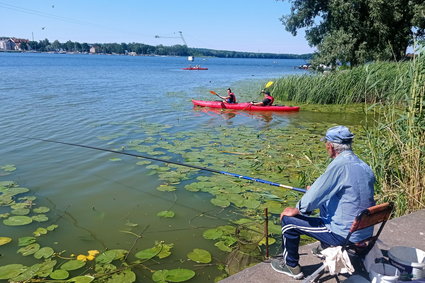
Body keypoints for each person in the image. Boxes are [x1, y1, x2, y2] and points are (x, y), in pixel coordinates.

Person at [271, 125, 375, 279]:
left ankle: (291, 266)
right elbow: (349, 192)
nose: (326, 148)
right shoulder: (363, 165)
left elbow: (313, 197)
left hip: (344, 234)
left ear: (331, 147)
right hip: (364, 230)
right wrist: (316, 191)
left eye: (326, 144)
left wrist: (298, 209)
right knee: (324, 203)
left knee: (288, 221)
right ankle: (325, 247)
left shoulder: (339, 166)